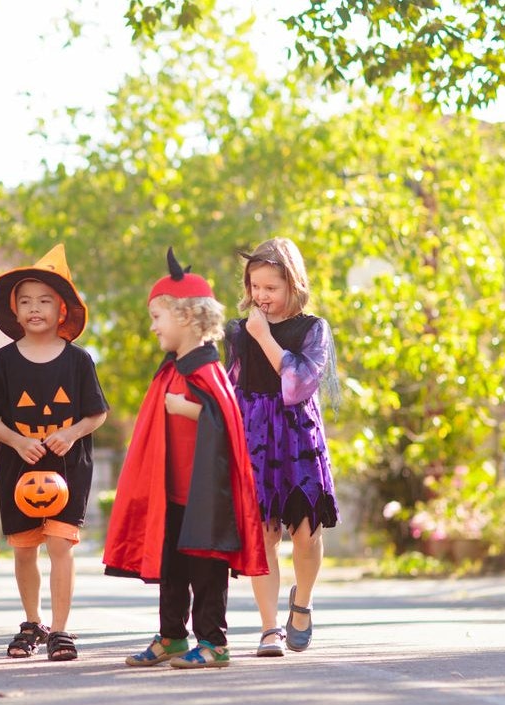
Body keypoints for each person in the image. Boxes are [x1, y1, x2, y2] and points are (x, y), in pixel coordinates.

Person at [103, 247, 268, 669]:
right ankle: (172, 636)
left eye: (158, 317)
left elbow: (227, 424)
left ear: (187, 317)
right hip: (173, 490)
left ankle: (214, 642)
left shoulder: (206, 370)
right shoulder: (173, 368)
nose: (153, 326)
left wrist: (190, 410)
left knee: (205, 567)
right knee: (171, 564)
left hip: (205, 496)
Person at [0, 244, 108, 661]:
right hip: (19, 465)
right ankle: (32, 621)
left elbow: (97, 414)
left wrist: (72, 432)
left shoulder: (79, 361)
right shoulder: (4, 361)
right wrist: (17, 440)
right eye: (25, 301)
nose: (35, 308)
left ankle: (61, 630)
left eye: (44, 300)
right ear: (15, 311)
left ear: (62, 310)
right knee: (25, 547)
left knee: (61, 545)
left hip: (68, 464)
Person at [224, 237, 339, 656]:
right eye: (255, 287)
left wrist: (266, 337)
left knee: (306, 533)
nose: (261, 296)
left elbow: (298, 384)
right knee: (264, 535)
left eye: (271, 288)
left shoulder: (313, 329)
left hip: (297, 438)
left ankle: (302, 603)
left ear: (293, 284)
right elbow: (232, 387)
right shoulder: (239, 332)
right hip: (256, 439)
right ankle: (269, 626)